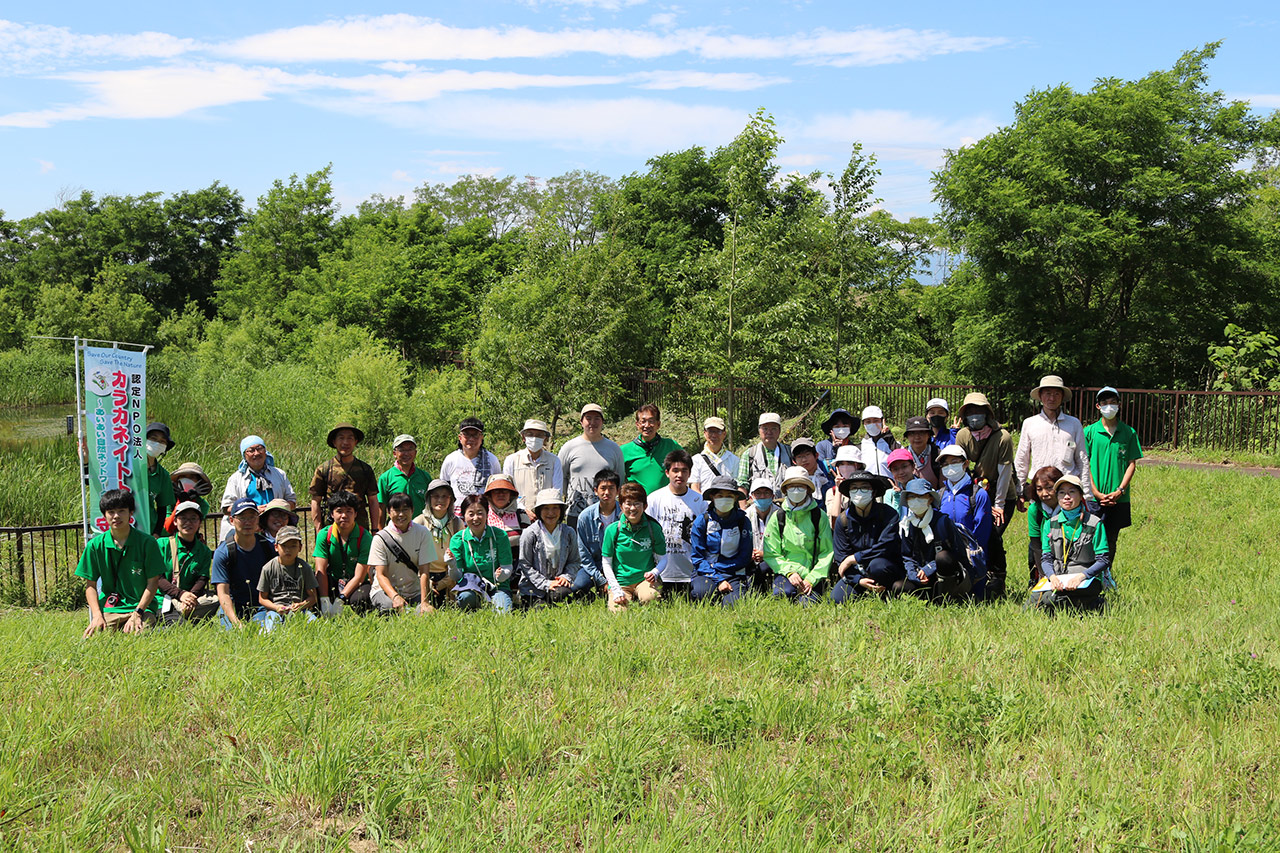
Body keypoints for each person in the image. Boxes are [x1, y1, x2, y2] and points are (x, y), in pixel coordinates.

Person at [76, 489, 164, 636]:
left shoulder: (147, 543)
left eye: (122, 511)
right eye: (111, 512)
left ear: (131, 512)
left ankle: (155, 623)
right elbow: (90, 586)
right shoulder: (95, 545)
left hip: (142, 608)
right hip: (110, 608)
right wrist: (97, 615)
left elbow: (153, 582)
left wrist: (138, 612)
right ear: (104, 515)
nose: (116, 516)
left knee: (139, 636)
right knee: (97, 637)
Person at [954, 392, 1016, 600]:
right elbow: (961, 465)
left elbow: (1005, 472)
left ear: (987, 413)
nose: (974, 416)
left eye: (978, 411)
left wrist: (998, 505)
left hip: (1002, 492)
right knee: (976, 533)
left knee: (993, 533)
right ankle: (978, 575)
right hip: (977, 492)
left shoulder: (1003, 437)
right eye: (969, 412)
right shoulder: (963, 435)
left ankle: (998, 576)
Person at [1029, 474, 1113, 611]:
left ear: (1081, 496)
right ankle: (1083, 606)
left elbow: (1103, 560)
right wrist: (1052, 577)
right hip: (1058, 577)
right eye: (1062, 493)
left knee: (1051, 600)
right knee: (1033, 603)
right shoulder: (1050, 524)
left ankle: (1095, 604)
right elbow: (1046, 558)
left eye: (1071, 492)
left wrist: (1082, 577)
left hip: (1086, 579)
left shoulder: (1095, 524)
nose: (1066, 497)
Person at [1014, 375, 1093, 506]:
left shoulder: (1073, 424)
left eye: (1056, 394)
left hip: (1067, 489)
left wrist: (1086, 493)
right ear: (1040, 395)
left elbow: (1082, 459)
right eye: (1048, 393)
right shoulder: (1030, 423)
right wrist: (1019, 491)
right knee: (1040, 524)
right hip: (1040, 489)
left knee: (1067, 526)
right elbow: (1022, 459)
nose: (1052, 398)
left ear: (1062, 397)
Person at [1084, 386, 1142, 560]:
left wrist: (1120, 490)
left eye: (1112, 402)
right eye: (1104, 403)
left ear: (1119, 405)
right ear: (1098, 406)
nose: (1109, 406)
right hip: (1094, 498)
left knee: (1111, 539)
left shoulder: (1129, 432)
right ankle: (1090, 576)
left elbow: (1131, 463)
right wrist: (1095, 492)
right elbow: (1084, 463)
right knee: (1090, 538)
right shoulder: (1089, 432)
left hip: (1119, 498)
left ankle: (1106, 575)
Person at [828, 471, 904, 603]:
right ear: (849, 493)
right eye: (854, 488)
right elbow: (841, 557)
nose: (859, 492)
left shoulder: (888, 514)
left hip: (884, 567)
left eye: (864, 487)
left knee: (877, 566)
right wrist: (858, 580)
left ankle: (886, 592)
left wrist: (855, 558)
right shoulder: (843, 520)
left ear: (873, 492)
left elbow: (887, 546)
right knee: (836, 599)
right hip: (858, 572)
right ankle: (864, 588)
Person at [765, 466, 833, 605]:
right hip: (786, 572)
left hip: (813, 573)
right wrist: (790, 573)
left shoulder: (819, 516)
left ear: (808, 489)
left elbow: (826, 552)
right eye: (792, 486)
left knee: (808, 604)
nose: (796, 490)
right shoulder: (778, 517)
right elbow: (771, 552)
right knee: (783, 597)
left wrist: (811, 579)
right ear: (785, 490)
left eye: (800, 486)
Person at [895, 479, 971, 603]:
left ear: (930, 499)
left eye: (920, 496)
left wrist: (928, 569)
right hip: (921, 576)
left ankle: (946, 599)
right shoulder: (906, 525)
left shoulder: (943, 522)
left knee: (943, 557)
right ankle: (928, 597)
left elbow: (956, 553)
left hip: (945, 574)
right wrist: (914, 575)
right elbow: (907, 556)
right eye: (911, 497)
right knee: (898, 587)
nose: (916, 500)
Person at [645, 449, 707, 600]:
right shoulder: (654, 499)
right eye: (675, 470)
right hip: (662, 572)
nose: (679, 475)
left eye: (684, 470)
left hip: (690, 571)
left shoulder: (700, 501)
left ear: (690, 473)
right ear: (667, 473)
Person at [368, 492, 438, 615]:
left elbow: (424, 571)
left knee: (425, 614)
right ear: (389, 512)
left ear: (412, 511)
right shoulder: (380, 538)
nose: (401, 514)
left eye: (405, 509)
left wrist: (425, 602)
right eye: (396, 510)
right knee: (389, 609)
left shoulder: (423, 533)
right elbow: (381, 575)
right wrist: (395, 596)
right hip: (384, 591)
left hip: (413, 591)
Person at [211, 499, 277, 629]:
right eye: (242, 517)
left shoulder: (267, 547)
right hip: (233, 605)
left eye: (252, 517)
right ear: (231, 520)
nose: (248, 522)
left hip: (261, 606)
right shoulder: (223, 552)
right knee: (232, 636)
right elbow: (223, 593)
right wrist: (236, 622)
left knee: (263, 631)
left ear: (258, 519)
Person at [601, 482, 666, 612]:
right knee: (619, 612)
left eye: (637, 504)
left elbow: (663, 559)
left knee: (651, 599)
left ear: (645, 506)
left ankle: (641, 596)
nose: (632, 508)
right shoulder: (613, 530)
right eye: (628, 503)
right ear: (621, 506)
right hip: (621, 581)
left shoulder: (653, 528)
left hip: (644, 580)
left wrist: (655, 572)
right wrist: (615, 588)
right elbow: (606, 562)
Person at [936, 444, 991, 599]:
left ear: (965, 464)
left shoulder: (978, 494)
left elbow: (982, 531)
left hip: (973, 555)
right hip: (948, 555)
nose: (949, 467)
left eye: (954, 462)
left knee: (975, 598)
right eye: (945, 464)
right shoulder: (940, 495)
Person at [689, 476, 753, 607]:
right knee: (701, 593)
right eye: (720, 495)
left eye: (729, 495)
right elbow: (697, 558)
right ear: (712, 497)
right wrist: (718, 579)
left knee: (735, 604)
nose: (725, 499)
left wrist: (721, 568)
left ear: (736, 498)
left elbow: (745, 556)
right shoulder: (702, 521)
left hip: (735, 572)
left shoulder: (743, 521)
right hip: (706, 572)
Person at [220, 435, 298, 541]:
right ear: (244, 455)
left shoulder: (279, 474)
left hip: (275, 531)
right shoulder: (236, 479)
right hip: (247, 530)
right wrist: (253, 511)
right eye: (251, 450)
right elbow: (226, 508)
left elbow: (292, 502)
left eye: (259, 448)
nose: (256, 453)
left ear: (265, 451)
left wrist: (274, 508)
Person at [559, 403, 625, 525]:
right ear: (581, 421)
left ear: (602, 422)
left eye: (597, 418)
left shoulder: (613, 449)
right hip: (575, 512)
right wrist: (568, 495)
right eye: (588, 418)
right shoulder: (569, 447)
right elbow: (560, 477)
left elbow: (620, 480)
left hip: (605, 513)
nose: (592, 422)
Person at [309, 423, 381, 533]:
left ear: (355, 442)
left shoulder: (365, 469)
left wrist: (375, 529)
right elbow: (315, 501)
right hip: (332, 529)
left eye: (350, 438)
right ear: (334, 442)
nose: (345, 442)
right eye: (341, 438)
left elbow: (373, 500)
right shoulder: (324, 469)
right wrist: (319, 531)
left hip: (359, 528)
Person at [450, 493, 516, 613]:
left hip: (498, 587)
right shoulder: (458, 539)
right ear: (463, 516)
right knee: (466, 598)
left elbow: (507, 567)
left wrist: (501, 576)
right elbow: (457, 576)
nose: (476, 518)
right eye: (471, 514)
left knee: (503, 614)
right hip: (470, 588)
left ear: (487, 514)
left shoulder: (500, 536)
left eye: (480, 513)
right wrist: (451, 564)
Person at [155, 500, 218, 625]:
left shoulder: (203, 550)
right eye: (183, 518)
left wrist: (189, 599)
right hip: (163, 599)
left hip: (189, 598)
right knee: (180, 625)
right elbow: (157, 578)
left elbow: (202, 578)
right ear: (175, 521)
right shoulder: (162, 544)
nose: (188, 523)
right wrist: (180, 594)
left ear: (200, 522)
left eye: (193, 519)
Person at [312, 491, 374, 615]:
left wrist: (341, 598)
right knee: (313, 589)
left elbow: (360, 575)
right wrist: (324, 600)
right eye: (339, 511)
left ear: (355, 514)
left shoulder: (365, 537)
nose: (344, 515)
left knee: (361, 599)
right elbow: (321, 570)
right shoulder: (325, 535)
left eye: (349, 511)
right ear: (332, 514)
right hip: (333, 580)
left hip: (357, 583)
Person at [518, 489, 579, 609]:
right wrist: (546, 584)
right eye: (546, 508)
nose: (551, 513)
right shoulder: (530, 533)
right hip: (533, 587)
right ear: (539, 511)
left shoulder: (568, 532)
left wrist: (565, 577)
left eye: (555, 508)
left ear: (561, 511)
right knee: (542, 610)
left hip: (557, 585)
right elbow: (525, 564)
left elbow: (575, 561)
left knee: (564, 596)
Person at [255, 526, 319, 631]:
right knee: (271, 626)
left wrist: (301, 605)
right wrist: (276, 608)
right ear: (276, 547)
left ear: (300, 548)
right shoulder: (268, 568)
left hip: (299, 610)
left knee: (314, 624)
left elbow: (313, 597)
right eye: (284, 546)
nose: (288, 550)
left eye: (293, 546)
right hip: (276, 610)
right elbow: (262, 598)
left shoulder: (305, 568)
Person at [413, 478, 463, 607]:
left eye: (444, 496)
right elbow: (412, 556)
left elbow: (461, 555)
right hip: (424, 577)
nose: (440, 500)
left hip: (449, 578)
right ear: (428, 499)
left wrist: (446, 581)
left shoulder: (457, 523)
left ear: (451, 500)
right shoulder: (419, 522)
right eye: (435, 496)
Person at [573, 469, 621, 600]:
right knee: (578, 586)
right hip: (594, 565)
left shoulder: (625, 514)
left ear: (618, 491)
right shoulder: (585, 517)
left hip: (618, 565)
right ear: (595, 491)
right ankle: (593, 597)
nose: (607, 492)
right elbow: (584, 555)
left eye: (611, 488)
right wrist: (601, 580)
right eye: (603, 488)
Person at [438, 416, 502, 514]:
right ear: (460, 437)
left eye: (475, 435)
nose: (471, 439)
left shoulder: (492, 460)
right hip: (456, 515)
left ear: (481, 437)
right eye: (467, 435)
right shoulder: (451, 460)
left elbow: (498, 487)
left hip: (485, 514)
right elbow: (444, 488)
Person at [503, 419, 564, 516]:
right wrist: (523, 510)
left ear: (545, 439)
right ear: (523, 437)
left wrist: (543, 512)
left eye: (539, 435)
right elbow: (508, 491)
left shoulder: (554, 461)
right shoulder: (512, 460)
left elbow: (557, 491)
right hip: (518, 515)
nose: (534, 438)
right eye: (530, 434)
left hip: (547, 516)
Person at [621, 404, 682, 495]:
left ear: (658, 424)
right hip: (637, 505)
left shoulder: (671, 446)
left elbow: (686, 468)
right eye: (643, 421)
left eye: (651, 421)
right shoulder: (624, 451)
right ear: (637, 424)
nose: (647, 425)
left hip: (666, 503)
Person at [736, 412, 792, 495]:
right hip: (757, 506)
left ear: (779, 430)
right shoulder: (749, 455)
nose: (769, 432)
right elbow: (742, 485)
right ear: (759, 430)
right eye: (765, 429)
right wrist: (744, 507)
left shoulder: (790, 452)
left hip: (787, 506)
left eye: (773, 428)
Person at [1025, 466, 1063, 587]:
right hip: (1044, 549)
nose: (1044, 493)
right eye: (1039, 489)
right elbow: (1036, 544)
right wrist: (1044, 575)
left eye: (1049, 488)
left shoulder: (1069, 506)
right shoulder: (1034, 510)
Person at [377, 434, 431, 519]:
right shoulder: (386, 478)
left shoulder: (425, 477)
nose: (406, 453)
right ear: (394, 453)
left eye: (410, 449)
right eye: (402, 450)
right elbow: (381, 508)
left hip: (421, 529)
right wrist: (379, 531)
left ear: (415, 452)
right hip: (395, 529)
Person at [689, 416, 740, 494]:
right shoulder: (696, 460)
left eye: (718, 431)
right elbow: (694, 487)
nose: (714, 435)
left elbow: (737, 487)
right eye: (710, 431)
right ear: (705, 433)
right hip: (704, 505)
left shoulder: (734, 460)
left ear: (724, 434)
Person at [744, 478, 778, 590]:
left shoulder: (780, 515)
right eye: (758, 493)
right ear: (751, 497)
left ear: (773, 496)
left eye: (766, 493)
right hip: (750, 559)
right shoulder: (745, 516)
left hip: (774, 559)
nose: (762, 497)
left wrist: (766, 554)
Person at [143, 422, 177, 537]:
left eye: (162, 441)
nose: (157, 443)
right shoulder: (130, 467)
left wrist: (157, 532)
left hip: (149, 529)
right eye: (153, 439)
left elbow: (162, 507)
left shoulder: (163, 475)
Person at [165, 462, 213, 534]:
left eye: (192, 477)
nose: (187, 479)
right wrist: (179, 502)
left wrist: (191, 500)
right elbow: (167, 528)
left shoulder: (202, 504)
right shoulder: (169, 500)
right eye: (183, 476)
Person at [484, 474, 525, 555]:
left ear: (511, 494)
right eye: (496, 490)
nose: (501, 494)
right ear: (490, 495)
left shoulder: (521, 515)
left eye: (505, 490)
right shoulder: (483, 515)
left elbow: (527, 544)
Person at [825, 445, 865, 522]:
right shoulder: (832, 492)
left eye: (849, 463)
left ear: (858, 465)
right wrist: (838, 490)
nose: (845, 467)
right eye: (841, 464)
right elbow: (833, 521)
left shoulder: (868, 488)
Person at [858, 406, 899, 478]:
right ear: (863, 424)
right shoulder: (860, 447)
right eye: (868, 421)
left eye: (876, 420)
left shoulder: (890, 442)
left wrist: (888, 437)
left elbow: (900, 456)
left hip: (891, 486)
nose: (872, 424)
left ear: (882, 421)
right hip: (869, 486)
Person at [900, 416, 940, 488]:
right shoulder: (901, 456)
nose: (917, 437)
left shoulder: (937, 455)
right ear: (907, 436)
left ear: (928, 435)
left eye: (921, 432)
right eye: (912, 433)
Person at [790, 437, 834, 502]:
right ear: (794, 461)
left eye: (807, 454)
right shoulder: (794, 479)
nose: (804, 460)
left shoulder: (830, 467)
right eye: (799, 457)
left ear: (816, 455)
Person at [883, 448, 915, 518]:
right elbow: (892, 519)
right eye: (895, 469)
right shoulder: (889, 495)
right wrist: (897, 497)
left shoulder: (925, 489)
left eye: (904, 466)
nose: (901, 472)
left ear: (913, 466)